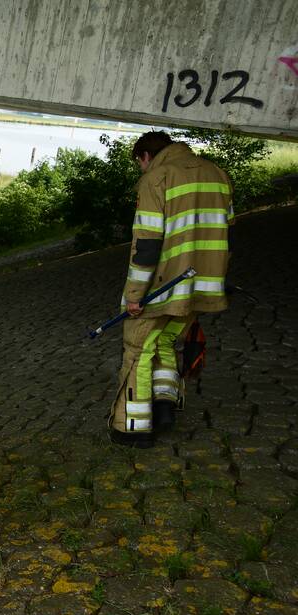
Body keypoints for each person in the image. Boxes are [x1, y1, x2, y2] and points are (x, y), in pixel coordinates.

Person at [109, 132, 232, 448]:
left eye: (139, 163)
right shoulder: (217, 174)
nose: (141, 169)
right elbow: (226, 231)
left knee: (138, 347)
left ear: (145, 157)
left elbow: (147, 245)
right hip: (202, 286)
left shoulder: (156, 178)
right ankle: (165, 405)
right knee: (165, 339)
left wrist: (134, 296)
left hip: (164, 287)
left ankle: (132, 428)